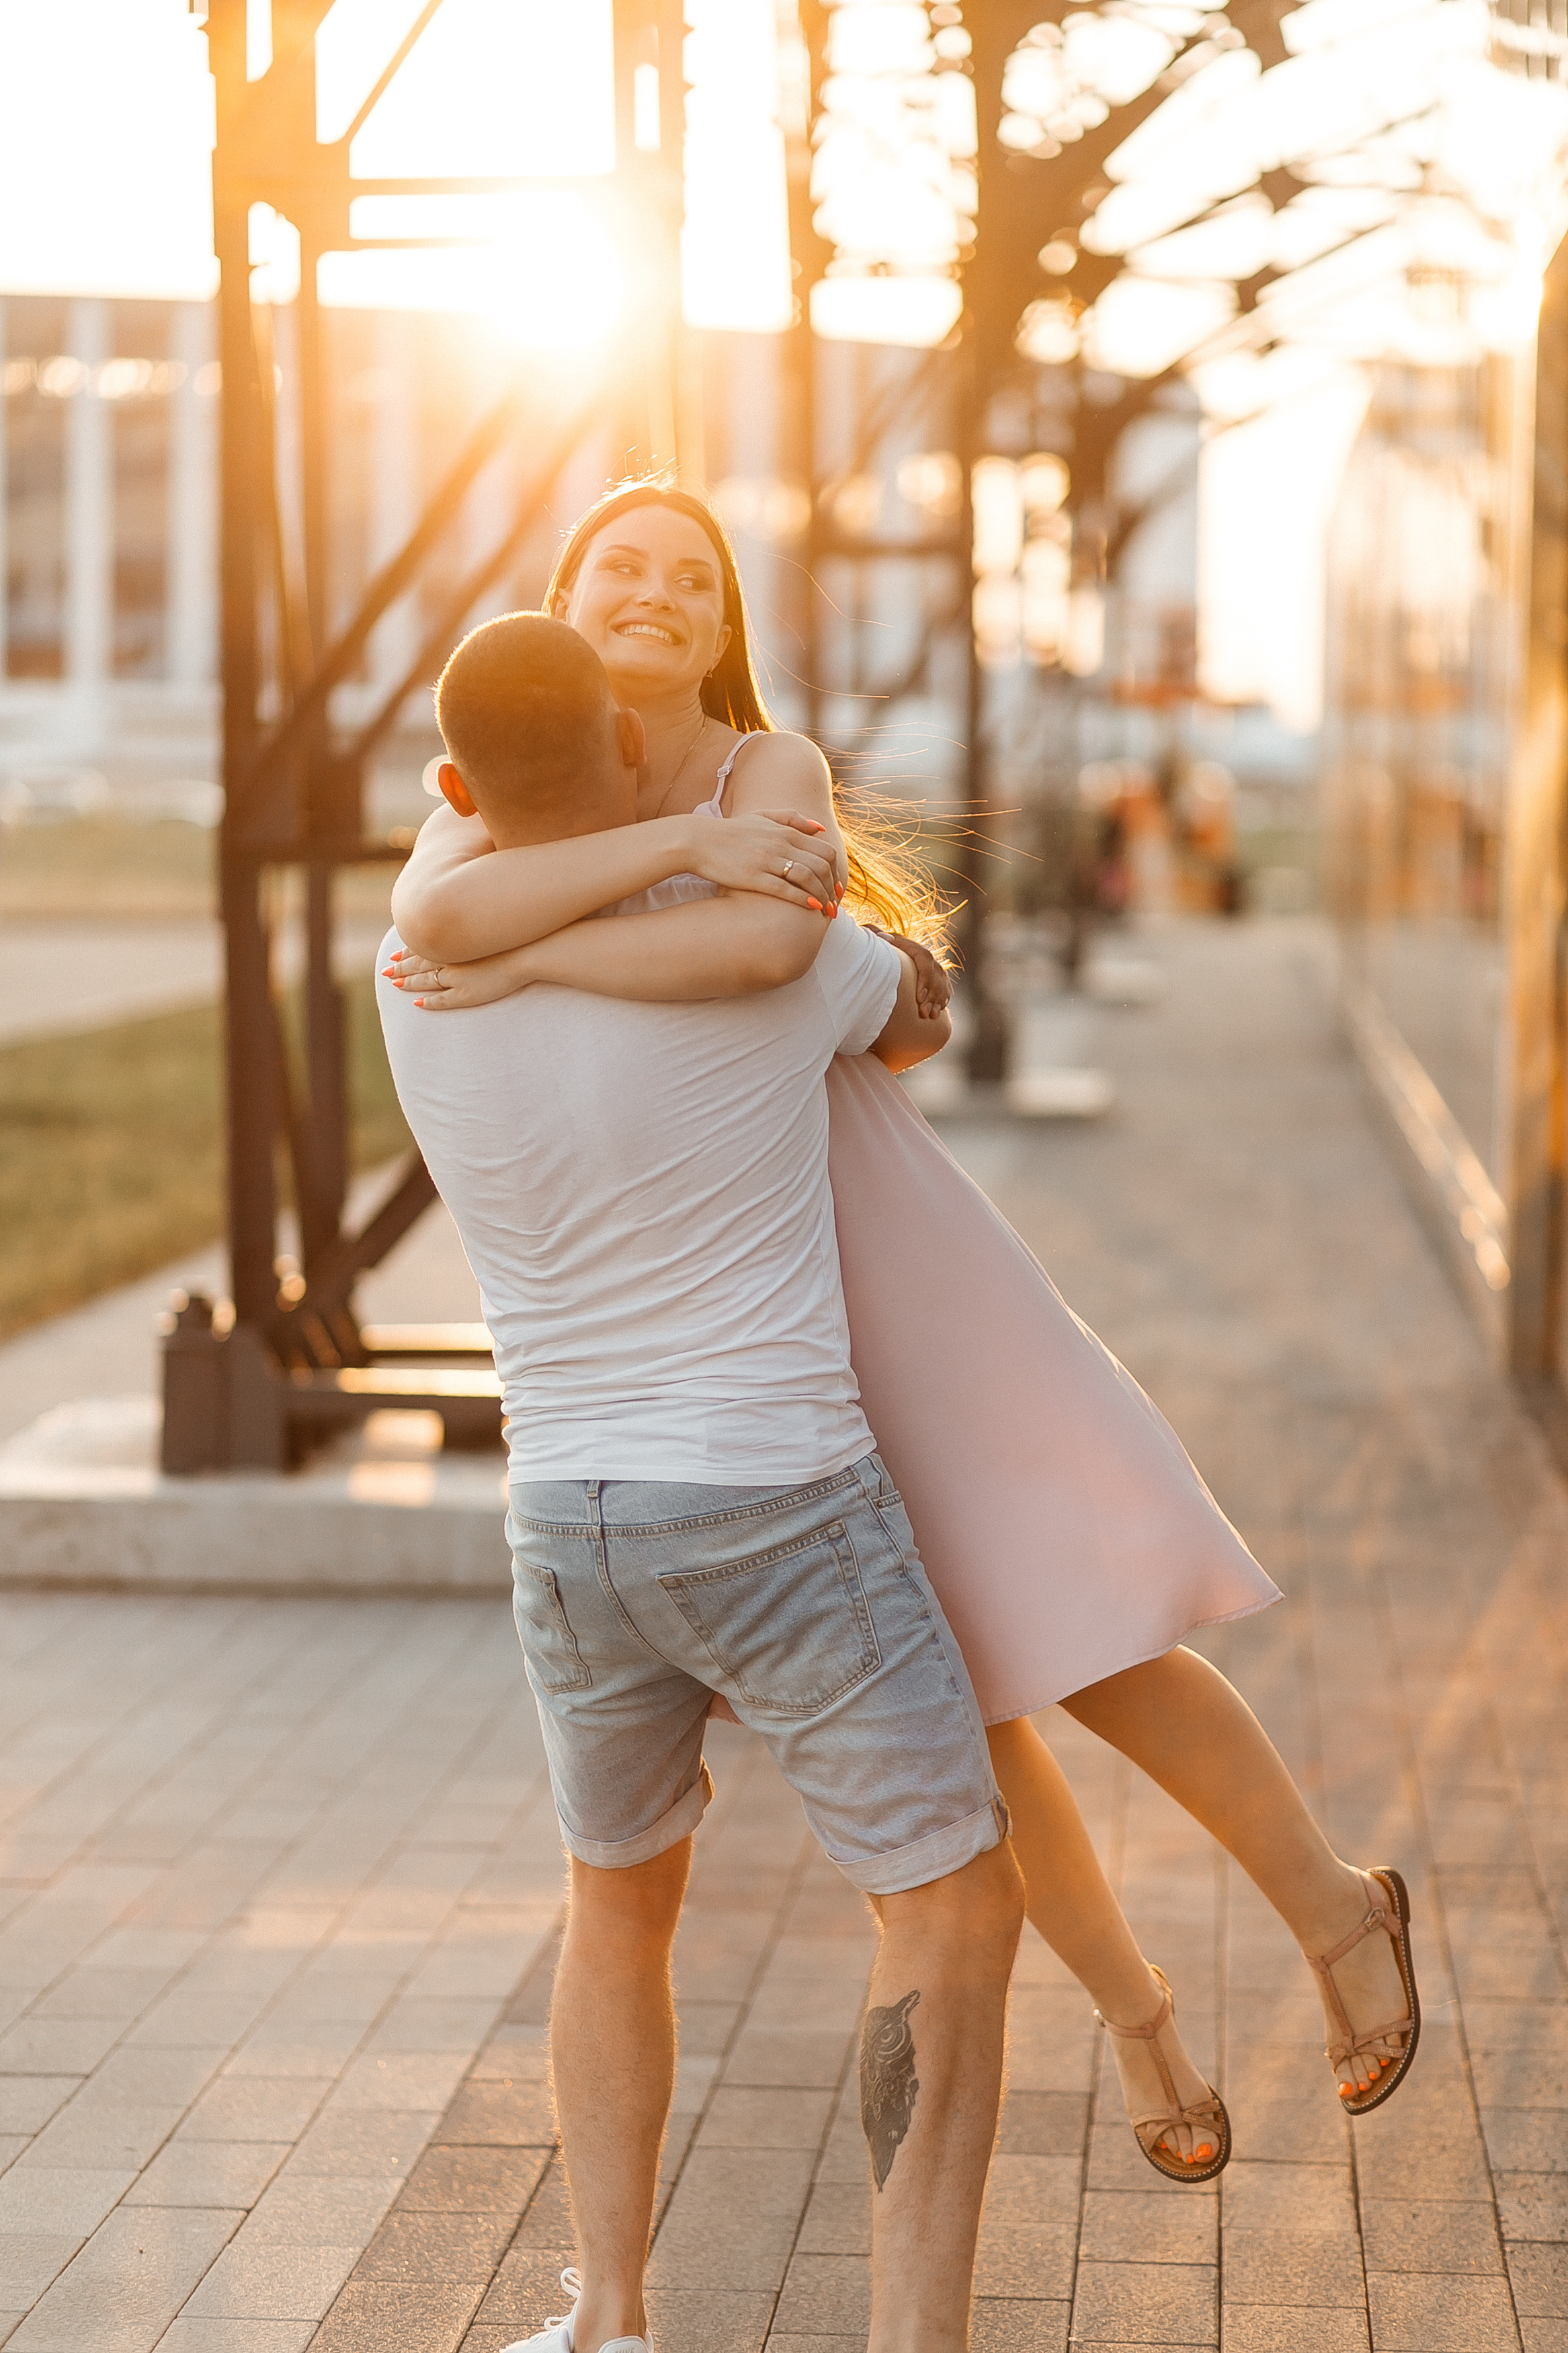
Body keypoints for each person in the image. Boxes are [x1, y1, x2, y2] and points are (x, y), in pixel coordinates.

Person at [386, 481, 1421, 2171]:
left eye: (691, 580)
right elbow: (432, 927)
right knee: (976, 1712)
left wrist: (542, 954)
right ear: (564, 602)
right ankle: (1147, 2029)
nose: (654, 594)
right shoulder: (480, 793)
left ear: (722, 629)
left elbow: (758, 956)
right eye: (619, 570)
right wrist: (596, 903)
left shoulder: (764, 776)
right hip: (718, 1307)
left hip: (861, 1246)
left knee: (1078, 1634)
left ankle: (1336, 1913)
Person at [376, 611, 1026, 2353]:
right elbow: (921, 1010)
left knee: (614, 1890)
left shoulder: (418, 980)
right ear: (629, 745)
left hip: (564, 1520)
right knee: (950, 1894)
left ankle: (609, 2318)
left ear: (453, 788)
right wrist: (736, 844)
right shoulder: (759, 959)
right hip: (771, 1496)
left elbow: (448, 903)